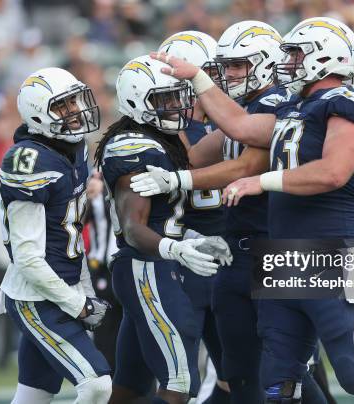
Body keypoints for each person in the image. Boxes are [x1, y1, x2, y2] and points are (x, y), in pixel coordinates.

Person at [148, 16, 354, 403]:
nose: (286, 62)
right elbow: (238, 125)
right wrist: (197, 78)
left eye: (295, 53)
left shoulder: (350, 101)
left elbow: (333, 172)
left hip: (330, 252)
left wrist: (261, 181)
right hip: (280, 258)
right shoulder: (296, 107)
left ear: (327, 58)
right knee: (279, 380)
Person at [131, 21, 287, 404]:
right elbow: (200, 153)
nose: (227, 77)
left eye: (235, 67)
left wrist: (175, 179)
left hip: (282, 247)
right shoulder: (235, 114)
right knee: (237, 375)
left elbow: (244, 164)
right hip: (229, 251)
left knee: (303, 370)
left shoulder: (276, 105)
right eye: (222, 68)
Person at [93, 55, 232, 404]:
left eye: (175, 97)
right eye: (163, 99)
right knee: (180, 381)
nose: (174, 106)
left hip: (150, 266)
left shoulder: (159, 139)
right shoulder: (133, 146)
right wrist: (175, 249)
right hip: (147, 267)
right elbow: (133, 227)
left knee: (129, 386)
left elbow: (163, 217)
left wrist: (191, 240)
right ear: (136, 102)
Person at [0, 67, 112, 404]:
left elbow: (71, 231)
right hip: (36, 295)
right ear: (39, 112)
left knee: (33, 395)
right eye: (64, 106)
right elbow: (28, 258)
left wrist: (84, 288)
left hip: (62, 282)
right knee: (96, 384)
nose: (76, 111)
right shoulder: (29, 162)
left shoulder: (75, 148)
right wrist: (77, 303)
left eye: (76, 101)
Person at [158, 30, 230, 404]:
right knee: (177, 380)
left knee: (236, 374)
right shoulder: (172, 128)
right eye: (211, 71)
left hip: (223, 252)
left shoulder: (226, 119)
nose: (220, 79)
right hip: (185, 255)